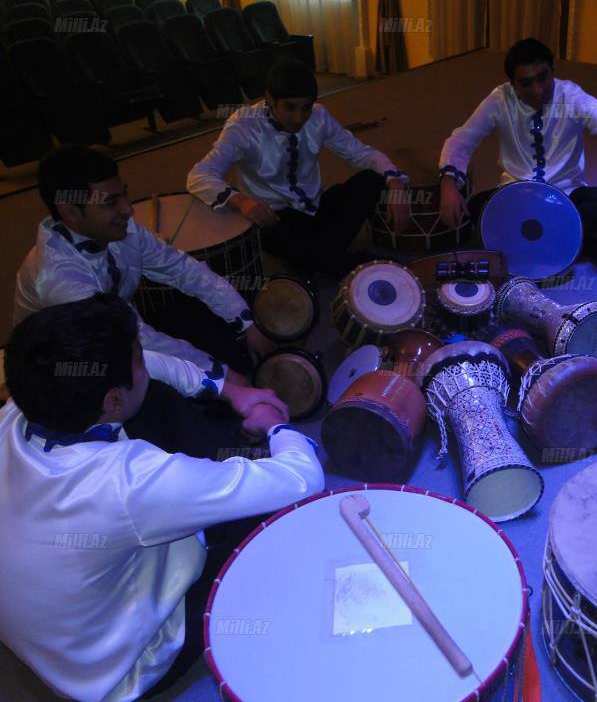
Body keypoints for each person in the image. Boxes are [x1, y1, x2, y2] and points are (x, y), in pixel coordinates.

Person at [0, 294, 324, 701]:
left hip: (57, 639)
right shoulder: (128, 481)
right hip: (117, 670)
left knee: (154, 396)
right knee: (276, 527)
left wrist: (228, 391)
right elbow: (303, 478)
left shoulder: (22, 405)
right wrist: (276, 426)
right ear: (112, 401)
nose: (145, 362)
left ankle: (220, 468)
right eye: (135, 358)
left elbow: (153, 364)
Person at [15, 144, 269, 382]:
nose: (128, 209)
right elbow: (138, 341)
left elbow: (182, 268)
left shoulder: (120, 230)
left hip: (118, 329)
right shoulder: (57, 278)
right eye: (110, 202)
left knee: (198, 314)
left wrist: (246, 321)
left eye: (123, 194)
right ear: (70, 211)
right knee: (148, 389)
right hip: (69, 363)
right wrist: (218, 375)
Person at [188, 58, 410, 278]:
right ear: (269, 99)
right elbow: (199, 175)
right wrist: (242, 201)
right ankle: (342, 260)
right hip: (273, 219)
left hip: (316, 208)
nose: (299, 118)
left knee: (371, 180)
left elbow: (361, 153)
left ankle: (315, 259)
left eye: (305, 108)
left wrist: (395, 183)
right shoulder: (243, 124)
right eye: (290, 108)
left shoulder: (319, 115)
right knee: (286, 240)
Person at [437, 37, 597, 265]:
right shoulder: (499, 100)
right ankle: (568, 239)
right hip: (516, 194)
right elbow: (462, 139)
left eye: (543, 77)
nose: (538, 90)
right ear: (512, 85)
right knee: (475, 206)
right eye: (526, 83)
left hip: (566, 197)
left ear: (553, 70)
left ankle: (534, 238)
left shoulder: (571, 97)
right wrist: (448, 184)